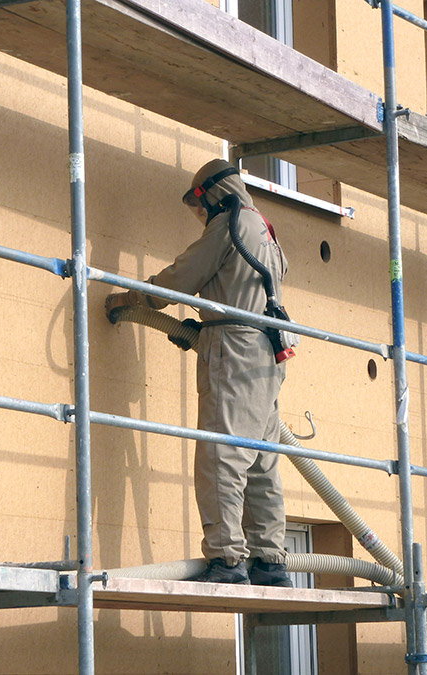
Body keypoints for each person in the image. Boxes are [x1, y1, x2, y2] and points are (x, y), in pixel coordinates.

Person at [105, 159, 292, 586]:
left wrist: (130, 298)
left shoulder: (228, 223)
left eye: (198, 203)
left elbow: (181, 278)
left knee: (220, 455)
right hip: (266, 352)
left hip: (234, 349)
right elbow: (245, 289)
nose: (199, 213)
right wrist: (205, 331)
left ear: (212, 194)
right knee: (261, 461)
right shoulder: (264, 228)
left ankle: (227, 560)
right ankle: (270, 562)